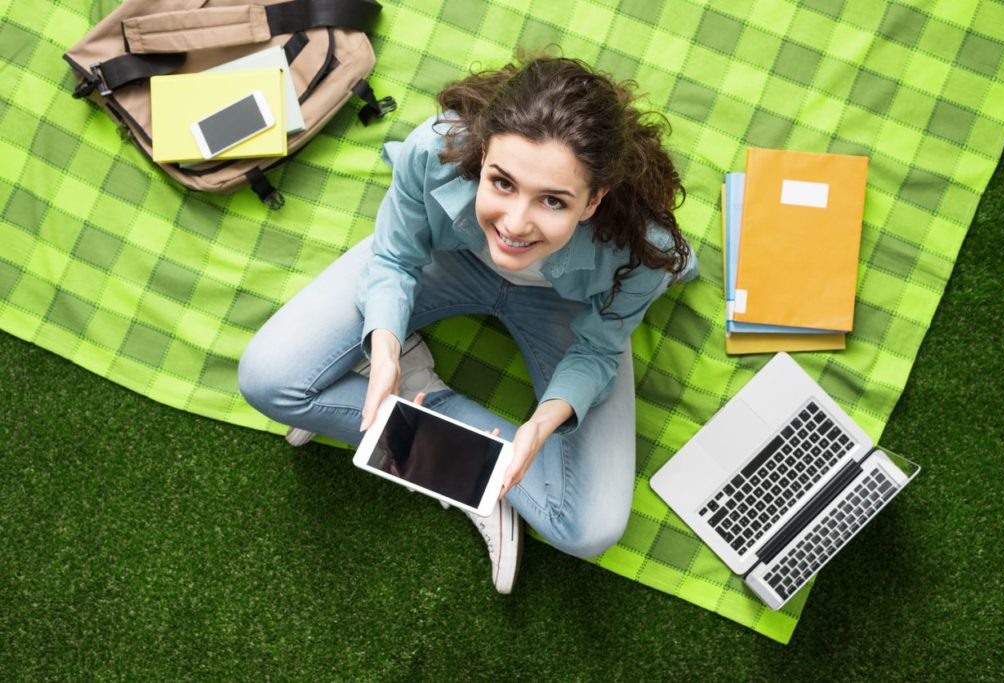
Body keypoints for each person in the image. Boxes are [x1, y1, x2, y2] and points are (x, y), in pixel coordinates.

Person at [238, 55, 698, 594]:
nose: (515, 224)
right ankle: (433, 411)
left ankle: (444, 436)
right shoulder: (431, 150)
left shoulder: (642, 253)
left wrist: (542, 424)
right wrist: (386, 348)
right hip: (450, 259)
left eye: (553, 200)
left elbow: (597, 352)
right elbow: (394, 260)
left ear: (594, 200)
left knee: (586, 528)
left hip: (565, 306)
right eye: (502, 183)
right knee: (268, 382)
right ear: (482, 156)